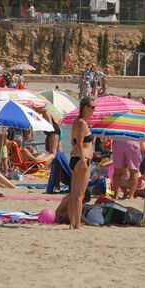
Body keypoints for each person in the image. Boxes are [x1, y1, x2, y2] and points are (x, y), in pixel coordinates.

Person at [59, 96, 95, 229]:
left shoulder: (77, 122)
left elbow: (73, 142)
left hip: (76, 158)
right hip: (82, 159)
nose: (94, 110)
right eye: (92, 107)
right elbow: (79, 143)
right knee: (79, 195)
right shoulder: (82, 123)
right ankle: (77, 224)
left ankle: (73, 223)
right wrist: (82, 159)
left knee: (74, 195)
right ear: (85, 108)